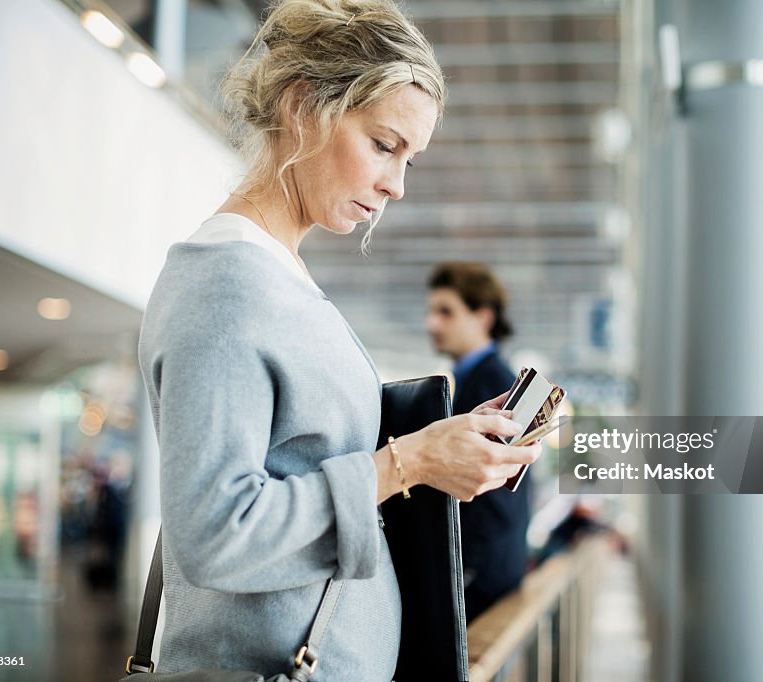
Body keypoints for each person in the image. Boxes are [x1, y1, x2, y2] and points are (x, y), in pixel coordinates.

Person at [136, 1, 541, 678]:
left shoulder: (276, 274)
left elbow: (310, 458)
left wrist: (442, 448)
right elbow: (216, 531)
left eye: (409, 158)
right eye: (384, 145)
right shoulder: (226, 286)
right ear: (303, 107)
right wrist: (405, 464)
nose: (397, 185)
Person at [426, 262, 531, 622]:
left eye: (446, 312)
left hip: (479, 579)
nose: (432, 324)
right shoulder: (484, 380)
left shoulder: (491, 386)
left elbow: (494, 496)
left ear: (483, 317)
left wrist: (462, 572)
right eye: (432, 311)